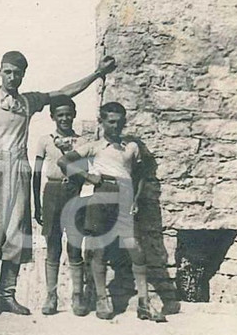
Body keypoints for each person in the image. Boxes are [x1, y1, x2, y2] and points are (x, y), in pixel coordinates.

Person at [0, 51, 116, 316]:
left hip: (19, 169)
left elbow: (64, 92)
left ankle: (7, 295)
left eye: (17, 73)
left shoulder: (28, 101)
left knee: (15, 232)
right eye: (8, 71)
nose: (12, 77)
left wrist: (97, 74)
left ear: (23, 74)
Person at [58, 101, 166, 323]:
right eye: (111, 122)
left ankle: (144, 302)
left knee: (135, 248)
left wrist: (136, 199)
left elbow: (142, 174)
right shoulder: (94, 146)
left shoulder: (132, 147)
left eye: (120, 122)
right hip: (101, 195)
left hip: (124, 196)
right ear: (102, 122)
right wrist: (88, 177)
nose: (116, 126)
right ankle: (102, 298)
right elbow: (64, 161)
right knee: (99, 249)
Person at [33, 96, 88, 316]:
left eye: (68, 114)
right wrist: (37, 205)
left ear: (74, 115)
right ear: (53, 117)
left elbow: (86, 171)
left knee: (75, 245)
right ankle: (51, 296)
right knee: (53, 244)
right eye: (60, 115)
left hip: (74, 191)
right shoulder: (44, 140)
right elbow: (36, 174)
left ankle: (78, 296)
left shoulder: (82, 142)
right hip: (52, 192)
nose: (64, 118)